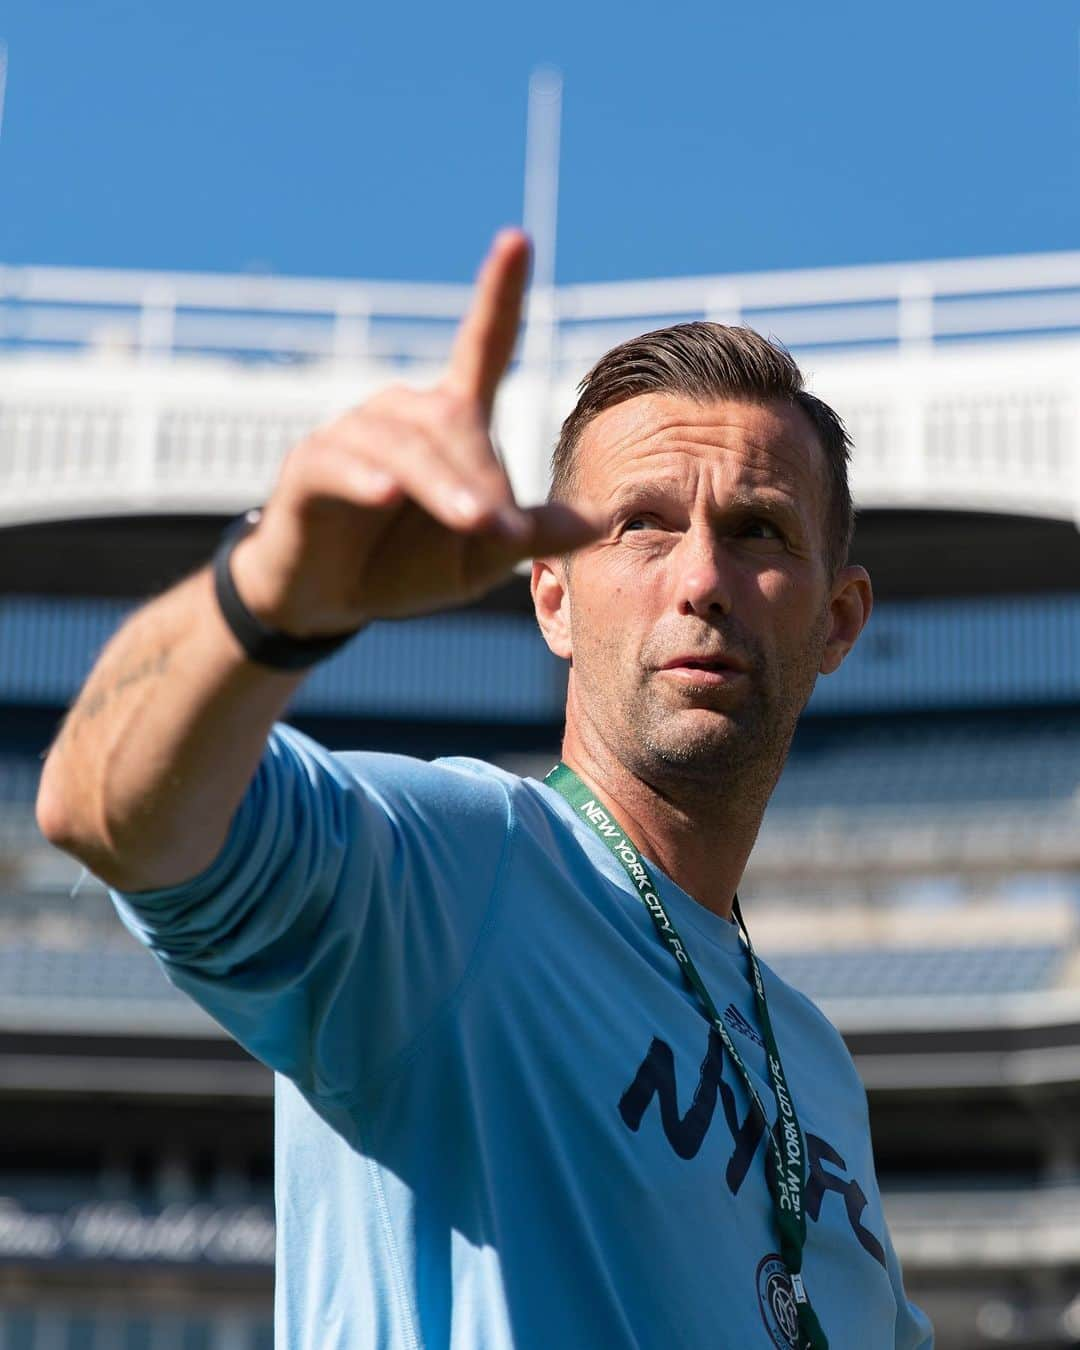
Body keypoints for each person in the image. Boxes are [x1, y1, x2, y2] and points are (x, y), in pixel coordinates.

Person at [37, 230, 933, 1350]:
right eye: (641, 524)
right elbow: (101, 807)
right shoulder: (460, 872)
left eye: (757, 531)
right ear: (552, 599)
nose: (701, 578)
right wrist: (267, 593)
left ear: (839, 620)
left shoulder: (815, 1064)